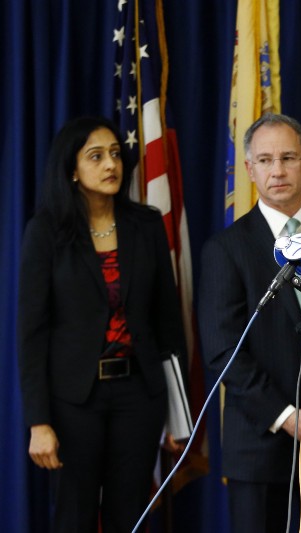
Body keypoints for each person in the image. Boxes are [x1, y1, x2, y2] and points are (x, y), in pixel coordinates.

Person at [17, 116, 187, 532]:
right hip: (75, 400)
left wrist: (178, 415)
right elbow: (31, 333)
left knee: (129, 516)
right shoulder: (47, 231)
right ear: (72, 170)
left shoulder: (145, 224)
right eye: (96, 156)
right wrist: (39, 423)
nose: (111, 164)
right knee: (73, 516)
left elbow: (168, 323)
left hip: (140, 396)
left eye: (115, 153)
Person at [198, 113, 301, 532]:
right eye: (265, 160)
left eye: (288, 157)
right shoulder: (226, 249)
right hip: (261, 446)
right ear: (249, 170)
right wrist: (288, 416)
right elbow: (222, 350)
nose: (278, 170)